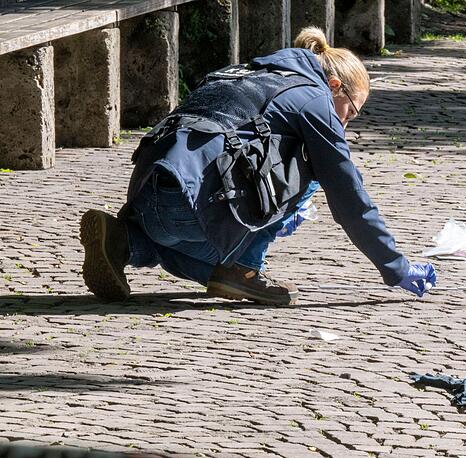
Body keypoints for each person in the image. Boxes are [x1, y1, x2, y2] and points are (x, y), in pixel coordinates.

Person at [79, 27, 436, 305]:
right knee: (315, 167)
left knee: (214, 269)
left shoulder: (241, 71)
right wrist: (396, 267)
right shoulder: (315, 99)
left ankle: (125, 240)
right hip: (189, 205)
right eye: (350, 113)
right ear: (334, 86)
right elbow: (348, 195)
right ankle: (246, 268)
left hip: (148, 194)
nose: (344, 125)